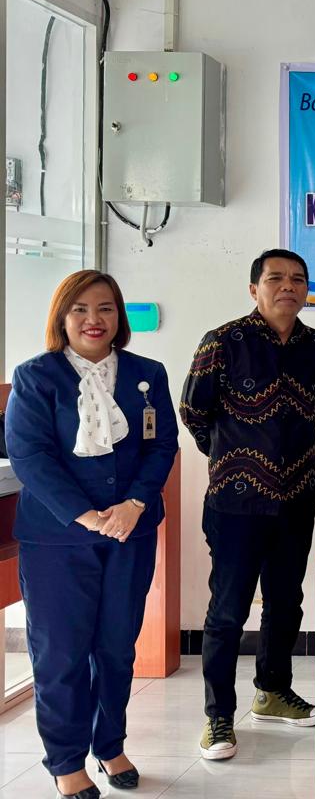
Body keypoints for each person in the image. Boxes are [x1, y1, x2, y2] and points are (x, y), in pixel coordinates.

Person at [5, 270, 178, 798]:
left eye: (105, 308)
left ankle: (110, 745)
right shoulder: (36, 377)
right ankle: (65, 760)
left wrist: (134, 504)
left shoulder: (147, 373)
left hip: (130, 532)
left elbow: (161, 444)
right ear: (62, 316)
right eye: (80, 309)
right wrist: (85, 515)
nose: (93, 319)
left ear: (119, 316)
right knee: (60, 654)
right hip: (57, 540)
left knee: (117, 648)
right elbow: (30, 455)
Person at [180, 249, 315, 761]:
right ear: (254, 289)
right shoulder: (223, 341)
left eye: (298, 279)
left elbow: (312, 409)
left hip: (298, 495)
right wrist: (237, 458)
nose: (288, 286)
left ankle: (272, 692)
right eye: (275, 278)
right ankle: (218, 717)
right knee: (228, 610)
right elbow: (193, 411)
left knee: (287, 601)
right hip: (235, 502)